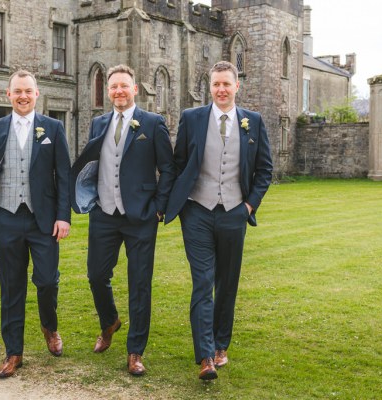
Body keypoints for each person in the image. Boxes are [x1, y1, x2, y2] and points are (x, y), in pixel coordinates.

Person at [165, 61, 273, 380]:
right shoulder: (192, 118)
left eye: (226, 84)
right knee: (202, 283)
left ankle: (221, 343)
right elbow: (179, 162)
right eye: (216, 84)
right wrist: (177, 202)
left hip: (234, 213)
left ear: (236, 86)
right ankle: (205, 357)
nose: (221, 89)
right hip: (197, 210)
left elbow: (265, 169)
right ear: (209, 88)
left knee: (227, 282)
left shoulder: (253, 122)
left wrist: (249, 207)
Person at [70, 64, 175, 375]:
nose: (117, 91)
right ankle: (109, 322)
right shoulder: (98, 123)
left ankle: (135, 351)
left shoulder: (153, 123)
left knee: (139, 284)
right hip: (104, 213)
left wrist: (159, 206)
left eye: (123, 86)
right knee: (95, 275)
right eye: (113, 86)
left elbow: (167, 169)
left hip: (141, 216)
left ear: (135, 90)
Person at [0, 70, 71, 378]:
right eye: (17, 91)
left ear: (37, 94)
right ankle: (13, 352)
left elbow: (63, 174)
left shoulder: (53, 127)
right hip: (6, 218)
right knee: (11, 287)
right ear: (9, 94)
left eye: (28, 91)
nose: (23, 96)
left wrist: (63, 215)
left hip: (44, 220)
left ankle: (49, 327)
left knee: (47, 281)